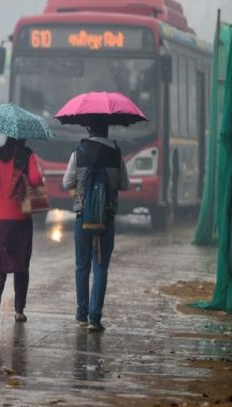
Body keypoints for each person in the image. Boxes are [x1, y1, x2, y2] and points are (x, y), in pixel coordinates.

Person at [62, 121, 129, 332]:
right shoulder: (116, 154)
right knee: (101, 267)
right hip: (106, 219)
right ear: (108, 129)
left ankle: (81, 315)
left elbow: (66, 183)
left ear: (89, 129)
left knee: (82, 266)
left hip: (83, 218)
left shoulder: (79, 152)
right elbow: (124, 184)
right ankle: (94, 318)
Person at [0, 137, 44, 323]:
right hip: (21, 218)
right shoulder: (27, 154)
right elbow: (35, 179)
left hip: (0, 217)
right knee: (21, 265)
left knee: (0, 262)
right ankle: (19, 311)